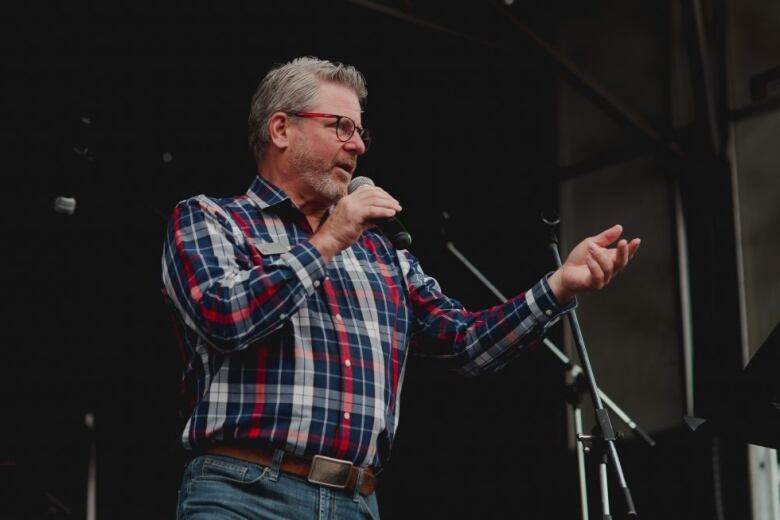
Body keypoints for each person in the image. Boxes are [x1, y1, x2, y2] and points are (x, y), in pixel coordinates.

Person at [161, 56, 640, 519]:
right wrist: (329, 240)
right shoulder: (211, 219)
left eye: (360, 131)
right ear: (281, 129)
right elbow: (226, 316)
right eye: (340, 127)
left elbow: (466, 343)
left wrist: (558, 286)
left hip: (355, 500)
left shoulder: (381, 252)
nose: (357, 145)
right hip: (244, 492)